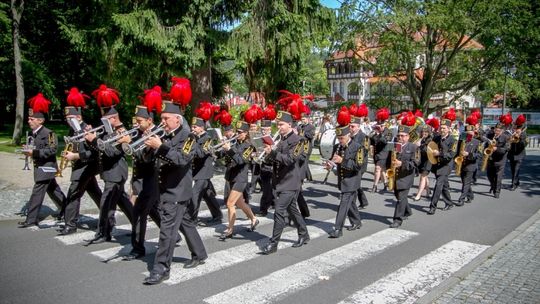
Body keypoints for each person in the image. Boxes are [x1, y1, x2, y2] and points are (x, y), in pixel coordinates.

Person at [143, 101, 207, 285]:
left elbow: (181, 159)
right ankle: (200, 253)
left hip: (177, 191)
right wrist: (149, 145)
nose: (162, 122)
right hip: (165, 189)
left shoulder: (189, 137)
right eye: (161, 118)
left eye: (165, 118)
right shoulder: (164, 135)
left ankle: (161, 269)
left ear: (177, 119)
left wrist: (160, 146)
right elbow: (147, 159)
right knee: (185, 223)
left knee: (167, 231)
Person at [261, 110, 310, 255]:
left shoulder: (298, 141)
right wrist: (267, 154)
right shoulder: (280, 139)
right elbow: (275, 160)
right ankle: (304, 234)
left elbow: (289, 160)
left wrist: (274, 152)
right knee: (292, 210)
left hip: (290, 182)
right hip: (279, 181)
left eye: (281, 124)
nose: (279, 127)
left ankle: (273, 243)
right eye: (278, 124)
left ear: (289, 124)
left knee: (279, 211)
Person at [85, 104, 134, 244]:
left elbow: (112, 152)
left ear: (113, 118)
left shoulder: (122, 131)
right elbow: (98, 149)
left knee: (106, 204)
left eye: (105, 119)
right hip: (109, 172)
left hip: (116, 173)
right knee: (123, 202)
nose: (102, 121)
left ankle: (104, 233)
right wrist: (90, 139)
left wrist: (94, 139)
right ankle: (137, 224)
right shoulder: (108, 130)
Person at [18, 94, 66, 228]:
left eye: (32, 119)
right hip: (40, 167)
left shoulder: (49, 133)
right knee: (54, 191)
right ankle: (67, 209)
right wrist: (28, 149)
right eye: (29, 118)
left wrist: (34, 152)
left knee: (37, 192)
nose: (29, 121)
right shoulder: (34, 133)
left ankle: (31, 219)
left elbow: (52, 150)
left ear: (40, 121)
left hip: (47, 167)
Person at [121, 105, 163, 260]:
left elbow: (146, 158)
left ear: (149, 120)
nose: (136, 123)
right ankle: (171, 233)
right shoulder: (140, 133)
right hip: (140, 179)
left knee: (139, 212)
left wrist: (130, 142)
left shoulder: (156, 134)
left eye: (139, 121)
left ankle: (138, 248)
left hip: (152, 179)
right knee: (152, 210)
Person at [57, 103, 102, 235]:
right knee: (95, 193)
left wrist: (75, 156)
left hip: (86, 167)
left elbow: (94, 153)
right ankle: (108, 219)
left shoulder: (87, 129)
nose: (67, 120)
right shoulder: (72, 130)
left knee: (73, 194)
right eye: (66, 118)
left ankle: (70, 225)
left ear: (78, 116)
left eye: (70, 117)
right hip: (78, 167)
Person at [215, 118, 259, 241]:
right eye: (237, 131)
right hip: (231, 176)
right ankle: (254, 219)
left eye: (241, 132)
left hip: (241, 178)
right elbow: (223, 156)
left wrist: (229, 149)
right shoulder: (235, 142)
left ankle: (229, 230)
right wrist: (219, 150)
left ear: (246, 133)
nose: (238, 134)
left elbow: (240, 161)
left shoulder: (250, 146)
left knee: (230, 203)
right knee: (240, 203)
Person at [325, 119, 363, 238]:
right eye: (338, 138)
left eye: (342, 138)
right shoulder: (337, 146)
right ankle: (356, 221)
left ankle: (338, 229)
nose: (340, 140)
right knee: (350, 203)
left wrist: (343, 161)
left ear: (348, 135)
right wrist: (330, 165)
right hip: (342, 179)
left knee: (343, 203)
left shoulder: (358, 147)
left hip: (352, 180)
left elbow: (358, 166)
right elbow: (334, 160)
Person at [191, 112, 223, 225]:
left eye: (195, 127)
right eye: (192, 126)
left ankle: (192, 219)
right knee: (207, 194)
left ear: (201, 127)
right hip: (197, 171)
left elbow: (200, 154)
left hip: (203, 172)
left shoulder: (208, 138)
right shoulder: (195, 137)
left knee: (195, 195)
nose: (192, 129)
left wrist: (192, 143)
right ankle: (217, 214)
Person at [389, 123, 418, 228]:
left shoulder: (414, 147)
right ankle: (407, 211)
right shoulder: (394, 145)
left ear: (408, 136)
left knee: (401, 198)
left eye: (403, 135)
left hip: (406, 177)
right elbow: (389, 158)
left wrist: (402, 164)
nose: (400, 138)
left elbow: (416, 163)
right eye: (399, 135)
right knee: (398, 196)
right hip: (396, 177)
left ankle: (397, 219)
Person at [427, 117, 457, 215]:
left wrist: (439, 154)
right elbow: (430, 148)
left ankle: (432, 206)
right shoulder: (436, 138)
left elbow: (451, 155)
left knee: (438, 185)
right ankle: (449, 203)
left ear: (449, 129)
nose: (442, 130)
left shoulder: (453, 140)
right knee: (444, 185)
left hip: (446, 166)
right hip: (437, 165)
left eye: (444, 128)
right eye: (441, 128)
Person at [456, 116, 482, 205]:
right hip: (462, 164)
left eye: (471, 132)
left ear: (474, 133)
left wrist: (469, 154)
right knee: (464, 181)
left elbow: (479, 155)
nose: (469, 134)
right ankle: (470, 195)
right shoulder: (461, 140)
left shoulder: (477, 142)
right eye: (467, 133)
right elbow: (457, 151)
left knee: (466, 182)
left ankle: (461, 199)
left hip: (471, 165)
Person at [348, 104, 370, 209]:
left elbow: (364, 151)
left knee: (354, 183)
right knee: (356, 184)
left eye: (353, 126)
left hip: (360, 163)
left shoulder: (364, 137)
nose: (350, 128)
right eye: (350, 126)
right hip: (352, 163)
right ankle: (364, 201)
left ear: (358, 126)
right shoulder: (349, 136)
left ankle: (352, 206)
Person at [485, 120, 510, 198]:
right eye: (495, 130)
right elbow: (486, 145)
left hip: (500, 160)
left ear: (502, 131)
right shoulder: (490, 135)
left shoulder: (506, 137)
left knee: (498, 177)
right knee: (489, 175)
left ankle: (497, 191)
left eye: (498, 131)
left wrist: (497, 149)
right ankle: (493, 186)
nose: (496, 132)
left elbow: (506, 149)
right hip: (491, 159)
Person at [256, 118, 275, 216]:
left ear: (270, 129)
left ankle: (263, 210)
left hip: (271, 167)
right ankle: (272, 203)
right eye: (262, 129)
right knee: (267, 189)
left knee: (267, 190)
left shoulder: (274, 139)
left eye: (265, 129)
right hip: (263, 166)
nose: (263, 131)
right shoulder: (260, 139)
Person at [370, 108, 392, 192]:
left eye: (382, 126)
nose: (380, 127)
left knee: (377, 169)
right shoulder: (376, 132)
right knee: (382, 169)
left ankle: (374, 186)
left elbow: (385, 141)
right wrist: (375, 133)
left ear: (385, 125)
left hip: (384, 153)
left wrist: (381, 133)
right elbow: (371, 141)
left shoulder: (388, 132)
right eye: (379, 125)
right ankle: (386, 183)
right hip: (376, 153)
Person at [413, 125, 433, 201]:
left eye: (426, 132)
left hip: (428, 160)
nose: (424, 133)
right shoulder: (422, 139)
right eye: (423, 131)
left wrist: (420, 145)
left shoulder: (430, 140)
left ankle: (419, 194)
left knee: (422, 177)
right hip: (422, 160)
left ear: (429, 132)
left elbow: (427, 150)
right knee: (425, 177)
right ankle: (428, 191)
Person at [508, 114, 527, 191]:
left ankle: (513, 184)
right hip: (512, 155)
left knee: (516, 169)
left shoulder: (523, 135)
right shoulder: (512, 134)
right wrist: (511, 139)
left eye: (517, 129)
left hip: (519, 155)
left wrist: (519, 138)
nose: (516, 130)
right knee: (513, 170)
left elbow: (523, 145)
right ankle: (517, 181)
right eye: (515, 128)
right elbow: (509, 143)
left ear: (521, 129)